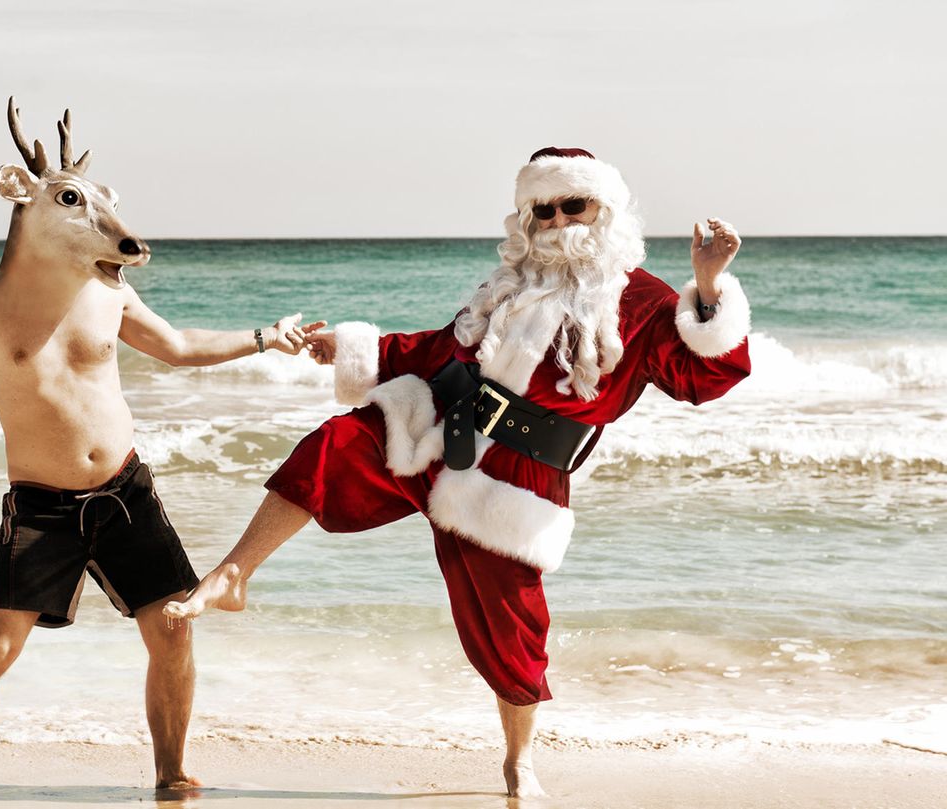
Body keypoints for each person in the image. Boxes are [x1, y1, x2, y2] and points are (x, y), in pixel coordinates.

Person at [163, 147, 752, 797]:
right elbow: (439, 349)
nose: (557, 221)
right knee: (334, 446)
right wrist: (360, 347)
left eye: (572, 205)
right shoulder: (509, 284)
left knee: (511, 632)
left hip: (516, 481)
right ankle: (232, 573)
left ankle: (518, 760)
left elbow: (701, 376)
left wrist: (709, 286)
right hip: (439, 426)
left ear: (603, 209)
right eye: (543, 209)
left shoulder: (644, 301)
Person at [0, 103, 323, 793]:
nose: (100, 216)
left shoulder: (109, 290)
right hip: (42, 507)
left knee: (173, 629)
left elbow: (179, 347)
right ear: (22, 197)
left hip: (125, 492)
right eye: (75, 201)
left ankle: (172, 774)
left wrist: (264, 335)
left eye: (99, 202)